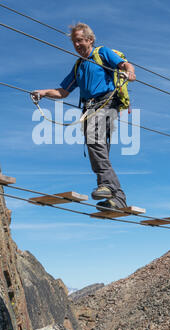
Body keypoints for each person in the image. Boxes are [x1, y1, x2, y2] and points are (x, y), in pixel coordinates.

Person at [31, 22, 136, 210]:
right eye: (74, 42)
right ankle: (118, 198)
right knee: (99, 149)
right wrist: (43, 92)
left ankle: (107, 185)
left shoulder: (102, 53)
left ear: (90, 40)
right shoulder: (79, 65)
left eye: (79, 40)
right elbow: (63, 92)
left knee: (94, 141)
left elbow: (124, 64)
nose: (77, 45)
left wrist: (130, 71)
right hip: (89, 108)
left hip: (106, 102)